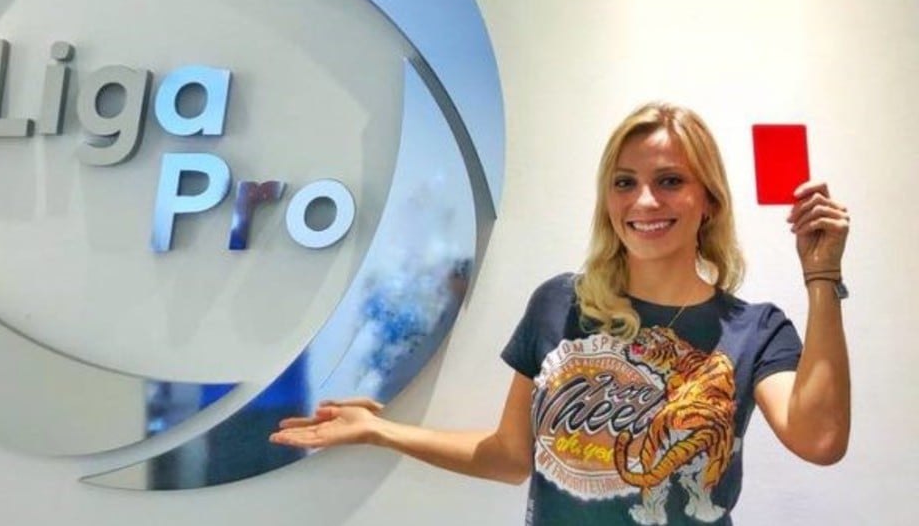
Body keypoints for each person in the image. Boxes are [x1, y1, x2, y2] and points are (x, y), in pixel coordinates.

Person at [269, 103, 850, 526]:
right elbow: (510, 456)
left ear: (710, 202)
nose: (644, 201)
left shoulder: (752, 330)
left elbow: (821, 440)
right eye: (625, 183)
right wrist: (380, 430)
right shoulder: (560, 304)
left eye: (670, 181)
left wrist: (821, 277)